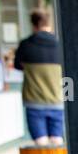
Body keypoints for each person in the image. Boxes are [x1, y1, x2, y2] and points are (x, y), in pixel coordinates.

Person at [13, 9, 64, 145]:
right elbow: (68, 76)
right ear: (49, 24)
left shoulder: (25, 45)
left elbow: (17, 65)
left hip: (34, 101)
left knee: (40, 142)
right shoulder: (60, 45)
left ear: (34, 25)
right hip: (57, 101)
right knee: (57, 141)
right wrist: (68, 99)